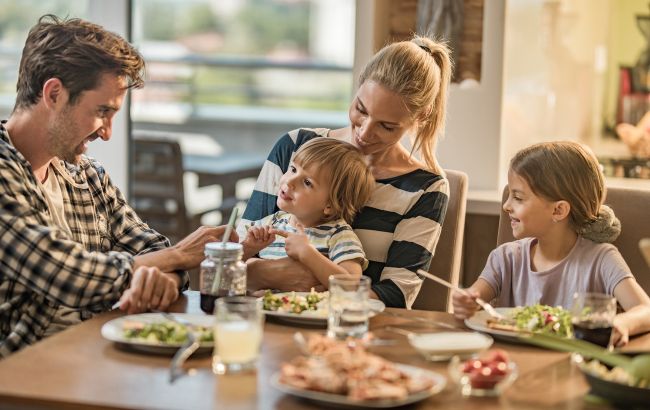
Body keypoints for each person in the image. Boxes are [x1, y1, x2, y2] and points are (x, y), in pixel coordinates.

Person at [0, 15, 233, 357]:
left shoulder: (88, 175)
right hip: (21, 373)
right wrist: (179, 255)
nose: (107, 132)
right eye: (102, 111)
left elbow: (150, 246)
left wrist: (161, 277)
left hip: (95, 354)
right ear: (54, 94)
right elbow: (67, 274)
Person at [240, 35, 452, 308]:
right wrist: (281, 275)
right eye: (360, 110)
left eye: (386, 126)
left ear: (420, 117)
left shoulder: (426, 189)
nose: (364, 133)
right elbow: (230, 262)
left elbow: (395, 297)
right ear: (359, 84)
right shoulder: (296, 147)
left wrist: (268, 278)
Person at [452, 141, 650, 346]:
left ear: (558, 210)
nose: (506, 206)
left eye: (518, 197)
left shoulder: (602, 259)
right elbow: (473, 299)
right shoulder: (505, 258)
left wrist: (622, 324)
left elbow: (645, 310)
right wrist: (465, 303)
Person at [241, 138, 374, 287]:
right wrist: (248, 248)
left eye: (307, 182)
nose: (290, 182)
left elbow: (352, 286)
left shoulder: (338, 235)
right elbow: (227, 272)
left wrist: (307, 253)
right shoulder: (269, 224)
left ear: (330, 205)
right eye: (293, 169)